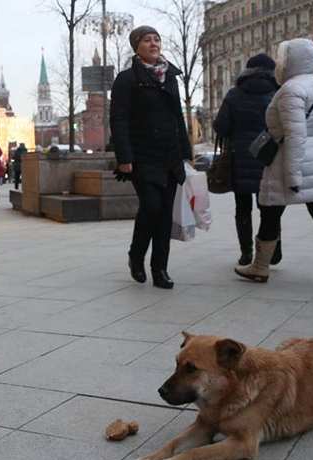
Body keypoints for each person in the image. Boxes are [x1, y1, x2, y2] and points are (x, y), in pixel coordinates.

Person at [235, 39, 313, 288]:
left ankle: (260, 266)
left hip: (289, 158)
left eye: (281, 58)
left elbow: (295, 133)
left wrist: (293, 175)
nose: (278, 63)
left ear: (291, 61)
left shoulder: (290, 90)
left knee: (269, 211)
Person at [110, 26, 193, 289]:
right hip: (142, 154)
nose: (154, 43)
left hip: (169, 154)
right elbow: (118, 120)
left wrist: (186, 151)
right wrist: (124, 156)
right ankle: (136, 256)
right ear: (136, 46)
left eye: (157, 39)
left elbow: (177, 116)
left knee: (165, 214)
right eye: (147, 40)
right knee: (151, 207)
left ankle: (160, 269)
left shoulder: (170, 76)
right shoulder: (126, 79)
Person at [212, 53, 281, 267]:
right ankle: (273, 250)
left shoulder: (234, 94)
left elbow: (220, 127)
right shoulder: (278, 94)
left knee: (243, 208)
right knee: (269, 207)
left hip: (239, 158)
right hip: (268, 158)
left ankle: (246, 253)